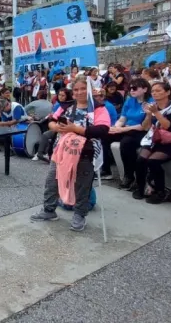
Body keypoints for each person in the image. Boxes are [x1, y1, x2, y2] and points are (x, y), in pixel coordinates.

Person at [30, 76, 110, 231]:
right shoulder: (66, 106)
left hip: (86, 152)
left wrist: (76, 129)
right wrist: (55, 127)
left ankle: (80, 215)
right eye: (76, 89)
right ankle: (48, 210)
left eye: (82, 89)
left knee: (82, 185)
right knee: (53, 181)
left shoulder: (99, 109)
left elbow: (102, 130)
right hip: (62, 151)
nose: (79, 92)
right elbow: (51, 120)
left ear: (90, 90)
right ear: (72, 92)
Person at [132, 81, 171, 203]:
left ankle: (161, 192)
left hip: (170, 142)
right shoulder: (152, 106)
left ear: (168, 92)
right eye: (153, 91)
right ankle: (141, 187)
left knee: (153, 161)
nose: (155, 93)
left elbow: (170, 127)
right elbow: (145, 127)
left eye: (158, 90)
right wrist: (149, 115)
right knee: (140, 159)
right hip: (154, 140)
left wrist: (156, 113)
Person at [107, 78, 152, 189]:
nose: (132, 90)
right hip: (127, 129)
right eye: (130, 88)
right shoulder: (130, 100)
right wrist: (116, 127)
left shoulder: (150, 102)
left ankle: (129, 175)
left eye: (135, 88)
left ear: (145, 89)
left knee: (126, 143)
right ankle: (106, 169)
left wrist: (122, 130)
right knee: (105, 135)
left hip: (142, 132)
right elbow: (122, 119)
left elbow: (144, 126)